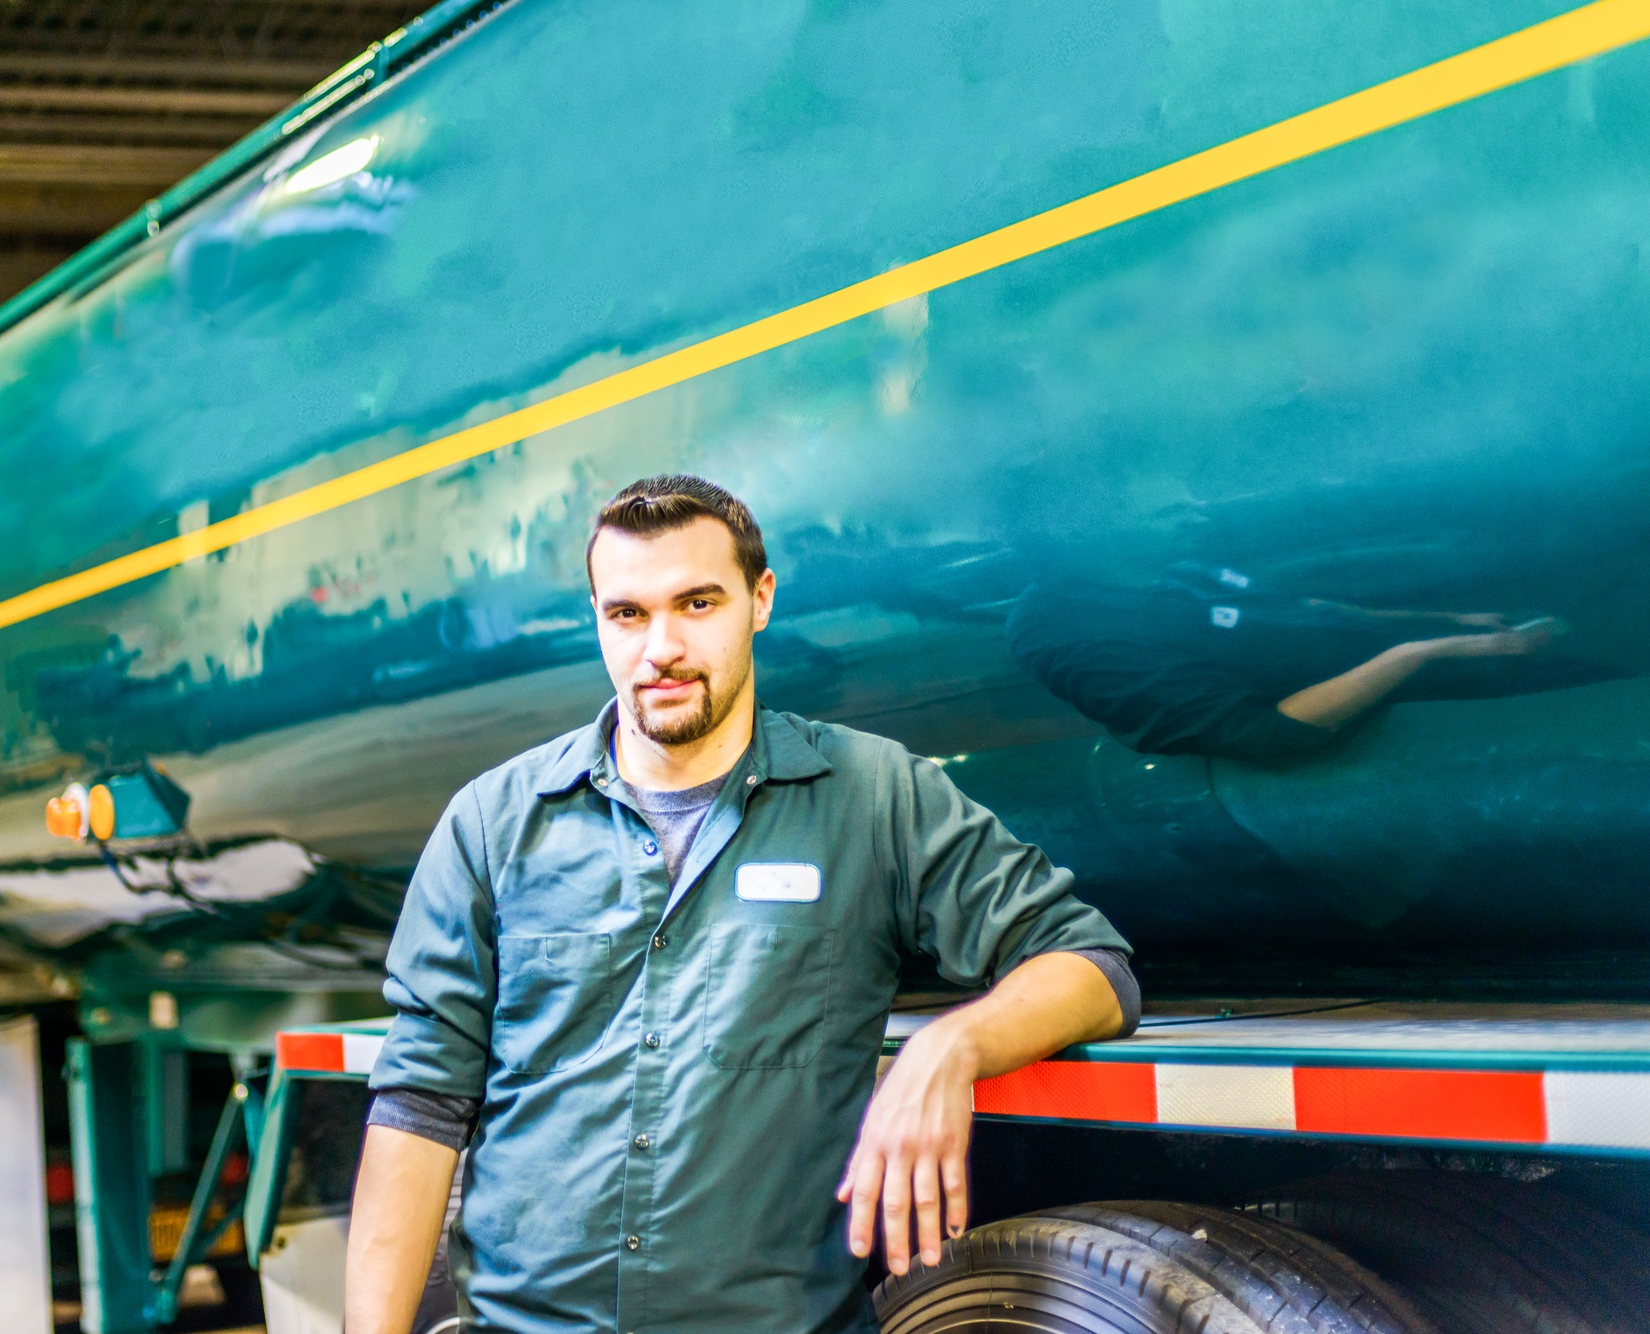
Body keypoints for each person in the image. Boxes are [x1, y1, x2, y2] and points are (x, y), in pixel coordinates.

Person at [345, 475, 1136, 1333]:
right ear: (598, 619)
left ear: (759, 601)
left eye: (696, 603)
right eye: (628, 615)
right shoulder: (494, 822)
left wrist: (951, 1047)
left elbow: (1094, 968)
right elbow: (421, 1107)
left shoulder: (872, 796)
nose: (663, 649)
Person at [1007, 563, 1614, 762]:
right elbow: (1272, 732)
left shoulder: (1161, 576)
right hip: (1449, 717)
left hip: (1477, 662)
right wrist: (1420, 651)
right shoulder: (1094, 646)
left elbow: (1305, 607)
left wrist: (1448, 622)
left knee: (1602, 679)